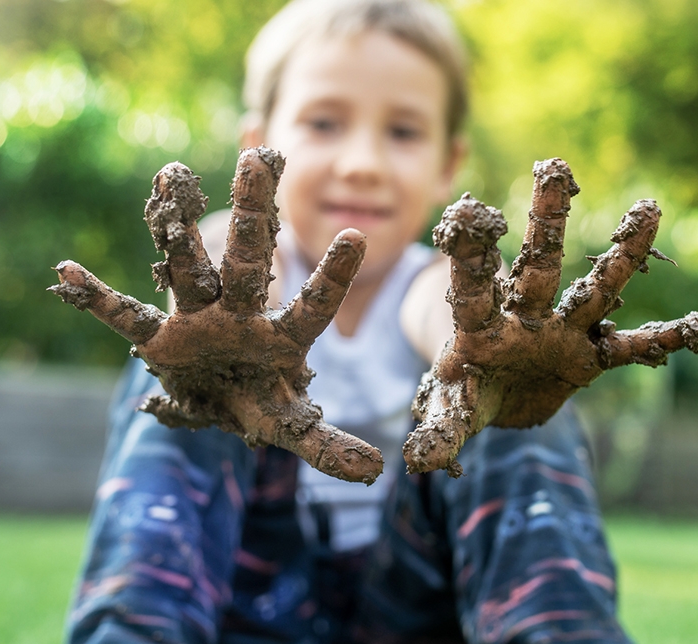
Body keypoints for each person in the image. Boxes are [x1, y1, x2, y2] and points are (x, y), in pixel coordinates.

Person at [65, 1, 634, 642]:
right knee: (194, 366)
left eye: (403, 132)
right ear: (258, 146)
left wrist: (467, 348)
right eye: (325, 122)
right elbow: (237, 255)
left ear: (448, 163)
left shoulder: (438, 283)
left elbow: (436, 308)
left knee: (501, 375)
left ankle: (555, 628)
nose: (362, 160)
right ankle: (136, 628)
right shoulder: (247, 271)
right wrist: (239, 305)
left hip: (415, 602)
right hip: (259, 594)